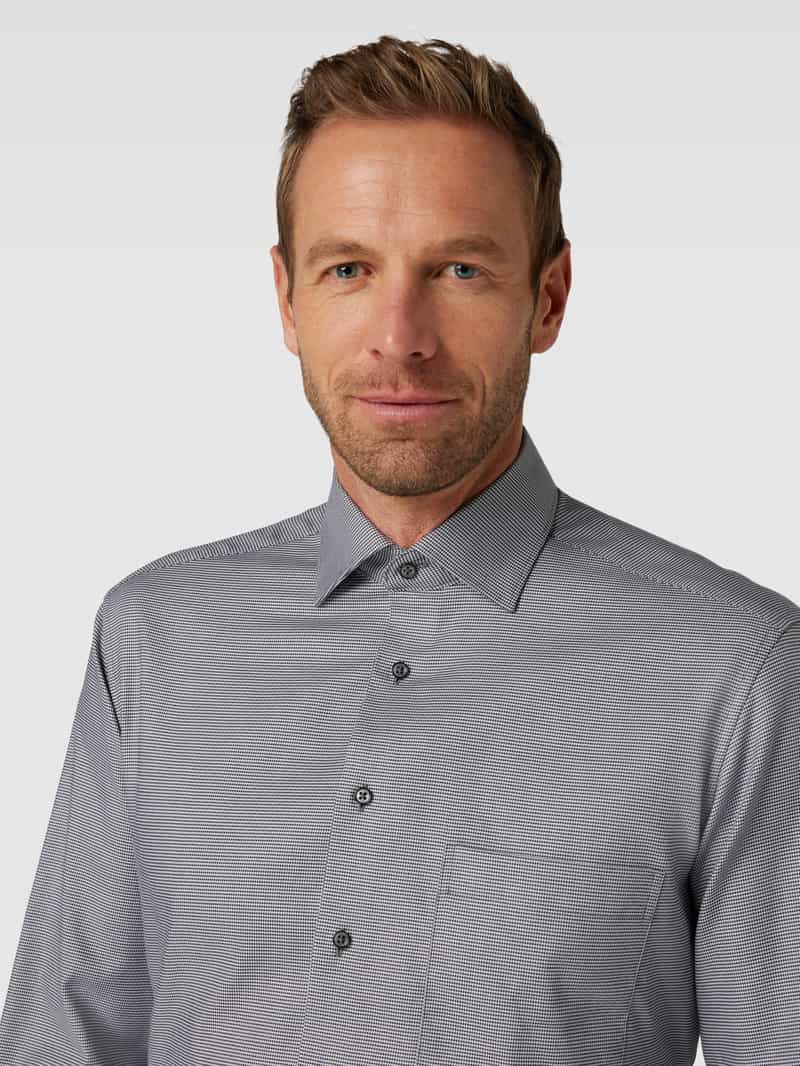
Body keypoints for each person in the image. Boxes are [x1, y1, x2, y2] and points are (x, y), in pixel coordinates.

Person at [1, 33, 797, 1066]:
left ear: (547, 298)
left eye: (459, 269)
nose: (400, 335)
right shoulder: (154, 636)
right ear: (287, 298)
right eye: (348, 269)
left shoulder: (734, 669)